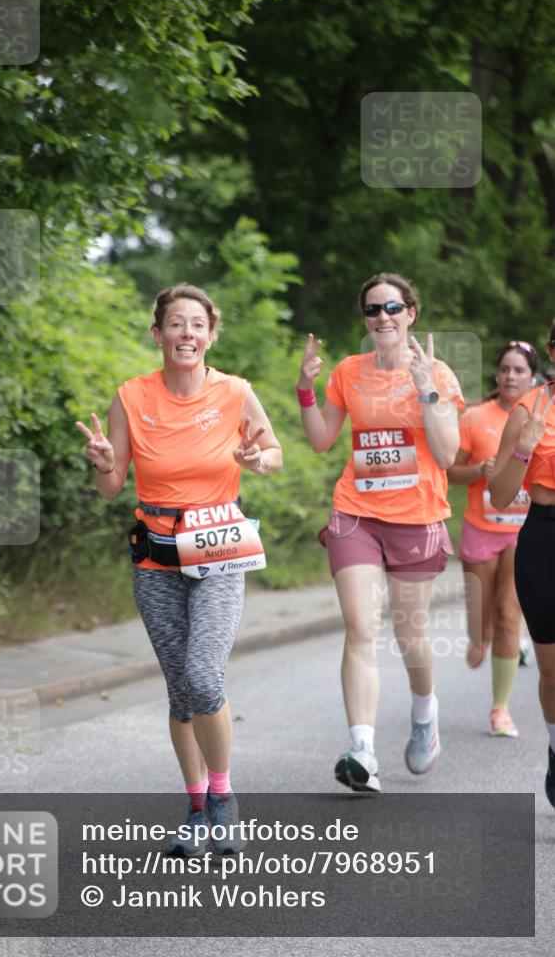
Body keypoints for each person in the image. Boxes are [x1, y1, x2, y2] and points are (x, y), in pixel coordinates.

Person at [76, 283, 282, 853]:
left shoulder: (236, 392)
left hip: (218, 545)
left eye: (197, 324)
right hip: (156, 553)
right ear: (157, 333)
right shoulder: (132, 396)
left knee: (203, 676)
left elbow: (274, 454)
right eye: (175, 323)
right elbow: (111, 487)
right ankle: (197, 808)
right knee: (178, 690)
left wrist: (255, 458)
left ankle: (223, 798)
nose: (186, 334)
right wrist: (105, 463)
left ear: (211, 334)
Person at [298, 272, 464, 792]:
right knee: (360, 627)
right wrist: (305, 390)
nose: (383, 318)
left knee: (408, 633)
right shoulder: (349, 372)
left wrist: (426, 390)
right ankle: (363, 750)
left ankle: (423, 715)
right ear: (365, 320)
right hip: (356, 514)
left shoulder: (437, 372)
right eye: (373, 310)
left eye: (393, 308)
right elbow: (323, 440)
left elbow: (447, 455)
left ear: (411, 313)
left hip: (417, 517)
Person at [447, 342, 538, 737]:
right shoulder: (475, 417)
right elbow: (451, 470)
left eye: (519, 370)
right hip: (481, 528)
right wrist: (478, 472)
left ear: (532, 376)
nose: (511, 377)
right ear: (497, 375)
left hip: (522, 531)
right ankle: (477, 636)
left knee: (508, 615)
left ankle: (500, 709)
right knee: (483, 620)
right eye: (505, 369)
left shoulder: (542, 416)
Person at [489, 322, 555, 808]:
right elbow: (500, 493)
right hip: (543, 535)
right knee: (552, 671)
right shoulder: (529, 410)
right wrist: (523, 449)